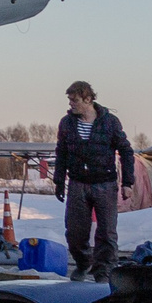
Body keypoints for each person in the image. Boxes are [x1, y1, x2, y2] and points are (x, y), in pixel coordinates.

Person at [50, 80, 136, 281]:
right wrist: (59, 181)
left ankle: (103, 271)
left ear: (88, 99)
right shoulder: (67, 123)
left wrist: (127, 183)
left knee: (106, 232)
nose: (71, 104)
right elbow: (61, 152)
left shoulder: (110, 122)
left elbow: (126, 151)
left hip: (104, 183)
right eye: (70, 100)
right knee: (75, 231)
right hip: (78, 183)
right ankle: (82, 262)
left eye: (75, 100)